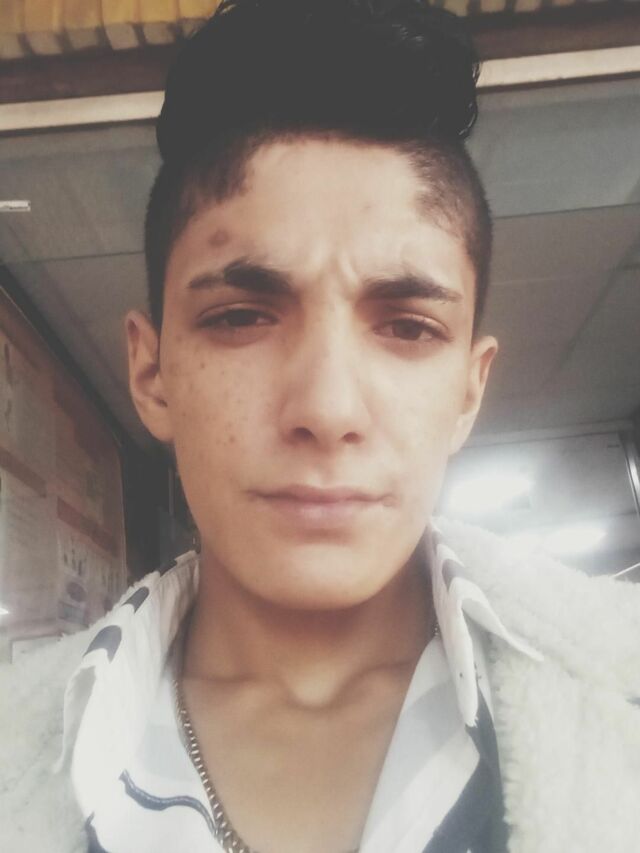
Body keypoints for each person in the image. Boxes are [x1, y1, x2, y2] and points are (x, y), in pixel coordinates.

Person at [2, 1, 639, 851]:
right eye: (240, 317)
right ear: (151, 373)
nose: (328, 408)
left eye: (408, 327)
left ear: (468, 391)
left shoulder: (620, 706)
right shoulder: (21, 752)